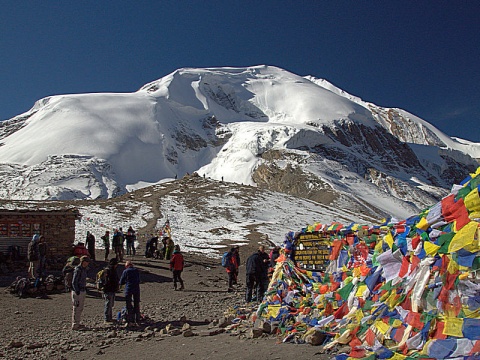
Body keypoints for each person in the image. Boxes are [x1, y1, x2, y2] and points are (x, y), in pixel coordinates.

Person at [119, 261, 141, 326]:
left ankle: (130, 319)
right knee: (136, 303)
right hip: (136, 288)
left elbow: (121, 281)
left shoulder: (126, 271)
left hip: (129, 288)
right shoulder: (136, 270)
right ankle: (137, 318)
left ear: (126, 266)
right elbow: (139, 279)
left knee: (128, 304)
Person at [71, 255, 90, 330]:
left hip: (82, 290)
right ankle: (75, 324)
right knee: (76, 308)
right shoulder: (78, 269)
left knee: (80, 308)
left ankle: (77, 323)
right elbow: (74, 281)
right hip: (78, 291)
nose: (87, 263)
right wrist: (77, 290)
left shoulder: (84, 269)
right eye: (86, 262)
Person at [102, 258, 120, 323]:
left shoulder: (112, 270)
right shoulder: (108, 271)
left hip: (112, 289)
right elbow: (107, 281)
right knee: (108, 304)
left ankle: (109, 317)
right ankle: (106, 318)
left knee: (110, 304)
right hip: (108, 289)